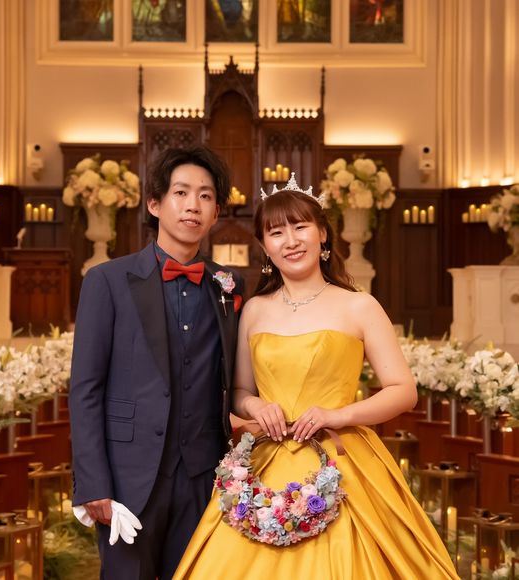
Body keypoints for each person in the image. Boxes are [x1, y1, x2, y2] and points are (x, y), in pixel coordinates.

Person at [173, 176, 458, 579]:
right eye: (276, 232)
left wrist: (336, 415)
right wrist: (256, 405)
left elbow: (403, 390)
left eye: (300, 226)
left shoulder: (360, 306)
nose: (290, 240)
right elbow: (239, 390)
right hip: (267, 455)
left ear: (322, 233)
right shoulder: (254, 309)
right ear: (264, 246)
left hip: (343, 456)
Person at [69, 145, 244, 580]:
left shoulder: (228, 285)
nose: (193, 205)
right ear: (154, 204)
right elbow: (86, 388)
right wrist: (93, 482)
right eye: (181, 192)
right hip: (127, 478)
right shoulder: (107, 281)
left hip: (204, 476)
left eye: (205, 196)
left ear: (216, 211)